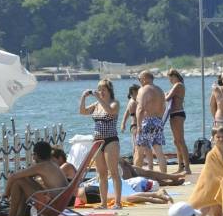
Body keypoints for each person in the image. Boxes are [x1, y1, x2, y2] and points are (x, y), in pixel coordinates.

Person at [0, 141, 69, 216]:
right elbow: (24, 177)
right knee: (22, 179)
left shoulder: (41, 166)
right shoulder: (52, 164)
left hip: (52, 208)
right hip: (58, 204)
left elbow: (13, 177)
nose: (33, 158)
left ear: (36, 155)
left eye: (33, 154)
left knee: (18, 181)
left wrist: (6, 195)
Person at [80, 80, 122, 208]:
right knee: (101, 174)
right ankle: (103, 203)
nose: (101, 92)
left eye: (103, 89)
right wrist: (83, 97)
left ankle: (117, 202)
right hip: (97, 141)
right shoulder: (96, 105)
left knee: (113, 172)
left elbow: (110, 111)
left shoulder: (114, 103)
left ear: (109, 91)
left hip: (111, 140)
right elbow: (82, 112)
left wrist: (98, 97)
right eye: (99, 89)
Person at [135, 71, 167, 173]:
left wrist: (139, 125)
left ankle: (135, 176)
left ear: (144, 78)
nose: (139, 81)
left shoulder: (143, 89)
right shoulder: (160, 90)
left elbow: (140, 108)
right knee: (159, 152)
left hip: (146, 121)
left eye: (139, 79)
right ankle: (164, 175)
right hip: (158, 121)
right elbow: (164, 108)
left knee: (139, 152)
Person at [164, 70, 191, 174]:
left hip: (178, 113)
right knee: (176, 142)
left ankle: (187, 167)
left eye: (170, 78)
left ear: (175, 76)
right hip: (173, 114)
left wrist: (163, 94)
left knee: (181, 141)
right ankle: (180, 167)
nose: (170, 80)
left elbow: (167, 98)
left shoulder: (178, 85)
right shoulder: (176, 86)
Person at [119, 158, 187, 186]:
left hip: (121, 170)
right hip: (121, 179)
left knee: (144, 171)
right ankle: (169, 182)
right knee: (142, 177)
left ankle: (172, 177)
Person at [121, 84, 140, 152]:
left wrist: (123, 123)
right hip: (136, 126)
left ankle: (137, 157)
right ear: (132, 94)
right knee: (137, 146)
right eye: (137, 93)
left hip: (134, 126)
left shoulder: (131, 100)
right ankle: (137, 158)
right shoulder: (134, 102)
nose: (139, 94)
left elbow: (126, 112)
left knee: (136, 145)